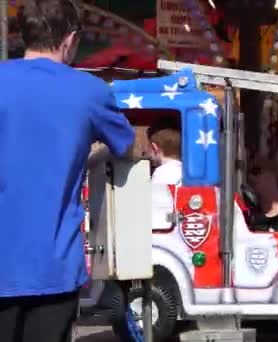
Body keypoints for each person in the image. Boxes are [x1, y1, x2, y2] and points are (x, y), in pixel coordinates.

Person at [0, 1, 135, 342]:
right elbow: (126, 146)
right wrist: (87, 156)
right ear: (70, 39)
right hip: (54, 264)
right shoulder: (89, 91)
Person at [147, 117, 182, 185]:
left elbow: (156, 195)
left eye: (150, 149)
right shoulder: (187, 172)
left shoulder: (161, 173)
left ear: (154, 148)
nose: (149, 155)